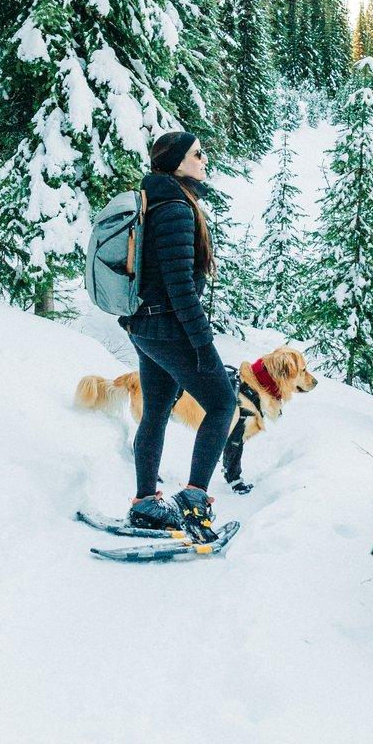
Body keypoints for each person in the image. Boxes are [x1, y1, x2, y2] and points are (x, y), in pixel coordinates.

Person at [123, 128, 236, 539]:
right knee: (223, 403)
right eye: (197, 155)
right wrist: (203, 343)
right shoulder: (174, 208)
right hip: (166, 329)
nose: (204, 161)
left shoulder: (159, 200)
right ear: (175, 163)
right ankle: (194, 499)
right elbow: (179, 286)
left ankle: (146, 504)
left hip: (147, 327)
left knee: (155, 411)